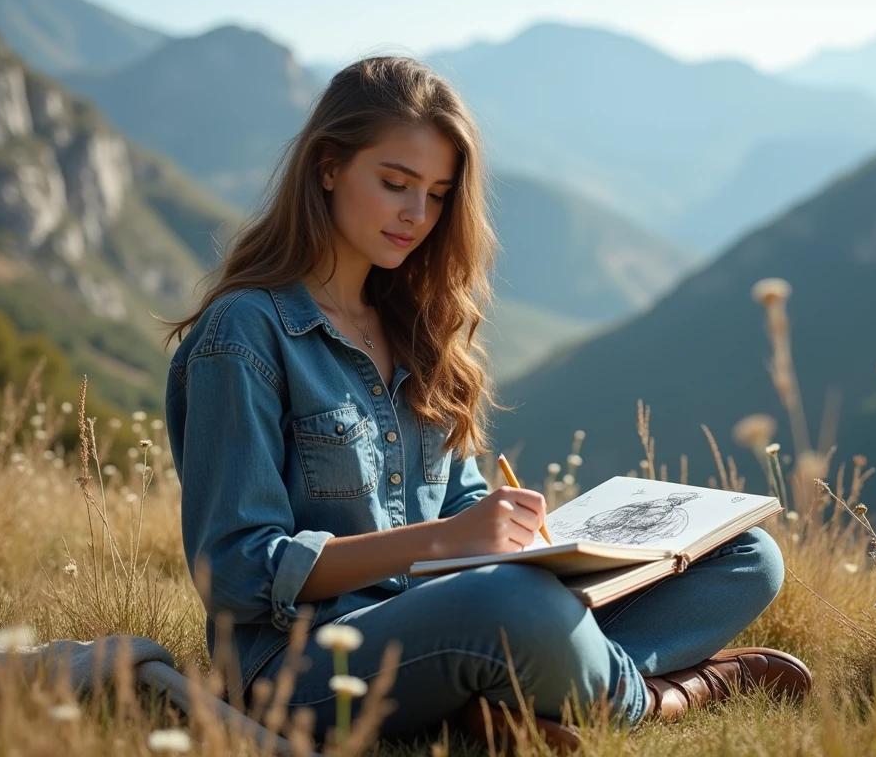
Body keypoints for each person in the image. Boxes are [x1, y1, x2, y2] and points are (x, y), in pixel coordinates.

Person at [161, 55, 810, 751]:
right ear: (327, 167)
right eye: (395, 183)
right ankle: (658, 697)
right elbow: (234, 571)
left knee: (745, 555)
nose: (417, 215)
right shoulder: (243, 335)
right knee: (512, 604)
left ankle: (503, 694)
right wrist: (446, 543)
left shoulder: (414, 324)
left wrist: (538, 541)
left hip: (453, 617)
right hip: (305, 667)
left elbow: (465, 510)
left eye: (438, 194)